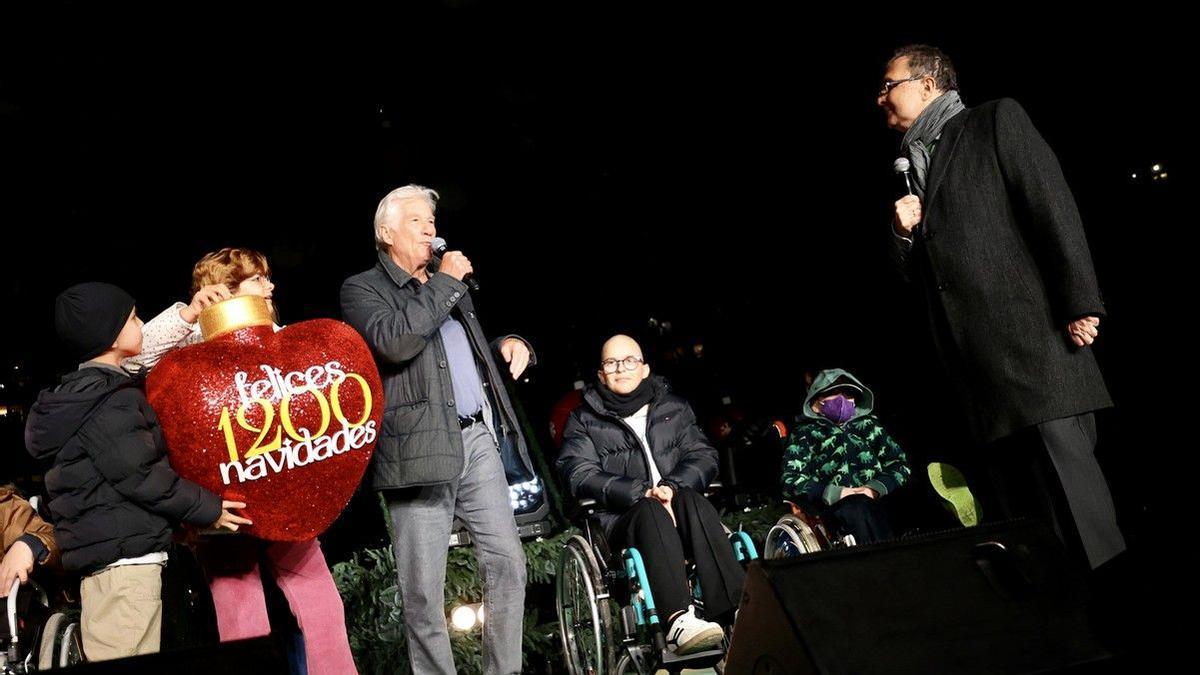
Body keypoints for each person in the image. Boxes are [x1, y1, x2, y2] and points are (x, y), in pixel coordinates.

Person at [879, 44, 1124, 569]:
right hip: (977, 380)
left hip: (1036, 355)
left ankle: (1120, 619)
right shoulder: (911, 167)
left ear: (927, 83)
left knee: (1081, 518)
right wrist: (902, 237)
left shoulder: (993, 121)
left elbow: (1050, 206)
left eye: (889, 84)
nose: (880, 98)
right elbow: (923, 282)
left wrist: (1080, 302)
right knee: (1028, 530)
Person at [341, 184, 537, 675]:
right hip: (417, 450)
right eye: (416, 221)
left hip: (476, 439)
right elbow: (395, 343)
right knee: (424, 591)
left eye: (432, 220)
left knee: (508, 563)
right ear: (386, 233)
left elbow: (454, 359)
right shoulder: (363, 289)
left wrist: (508, 344)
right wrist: (444, 285)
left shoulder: (445, 285)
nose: (431, 229)